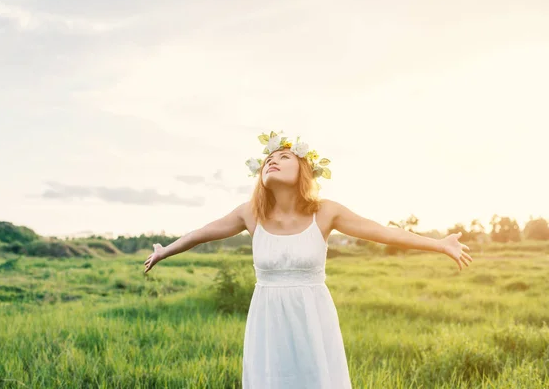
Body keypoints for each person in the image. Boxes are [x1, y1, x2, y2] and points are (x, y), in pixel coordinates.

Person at [144, 130, 473, 388]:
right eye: (268, 159)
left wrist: (439, 244)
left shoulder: (325, 212)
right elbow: (202, 233)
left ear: (303, 169)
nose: (272, 161)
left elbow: (382, 232)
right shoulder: (250, 214)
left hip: (313, 317)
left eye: (283, 156)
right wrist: (164, 251)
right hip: (268, 317)